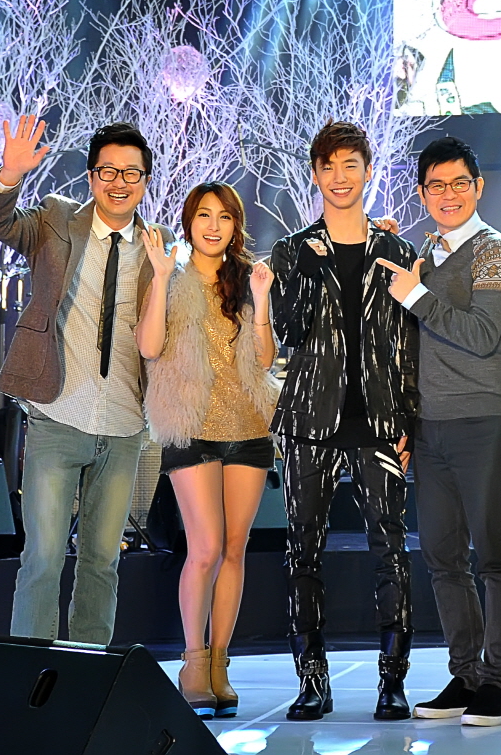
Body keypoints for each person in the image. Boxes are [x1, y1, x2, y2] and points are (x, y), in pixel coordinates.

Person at [0, 116, 169, 645]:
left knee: (103, 562)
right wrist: (9, 175)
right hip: (58, 413)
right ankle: (27, 674)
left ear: (145, 180)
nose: (119, 182)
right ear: (91, 177)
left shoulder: (158, 245)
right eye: (108, 171)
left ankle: (89, 671)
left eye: (132, 173)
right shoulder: (57, 220)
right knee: (42, 558)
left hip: (124, 423)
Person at [268, 120, 420, 721]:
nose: (339, 177)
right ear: (315, 174)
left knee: (391, 549)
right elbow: (289, 330)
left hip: (380, 422)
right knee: (302, 551)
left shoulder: (397, 251)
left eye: (350, 165)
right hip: (309, 421)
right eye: (328, 166)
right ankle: (312, 680)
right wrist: (307, 271)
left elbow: (409, 344)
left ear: (368, 172)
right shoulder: (292, 251)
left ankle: (392, 681)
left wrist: (411, 420)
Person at [377, 136, 501, 728]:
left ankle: (500, 684)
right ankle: (465, 676)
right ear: (421, 193)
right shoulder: (426, 254)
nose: (448, 194)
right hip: (430, 425)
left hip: (485, 417)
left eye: (459, 183)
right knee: (442, 557)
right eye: (435, 185)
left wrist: (416, 296)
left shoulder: (496, 250)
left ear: (478, 187)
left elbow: (484, 335)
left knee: (495, 555)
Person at [136, 182, 279, 716]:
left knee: (235, 549)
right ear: (189, 222)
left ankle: (220, 663)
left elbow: (264, 360)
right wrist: (160, 278)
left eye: (223, 216)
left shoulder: (247, 279)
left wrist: (262, 302)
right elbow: (149, 346)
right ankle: (192, 661)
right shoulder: (170, 276)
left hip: (248, 425)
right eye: (203, 215)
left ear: (235, 225)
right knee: (206, 548)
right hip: (191, 426)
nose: (213, 225)